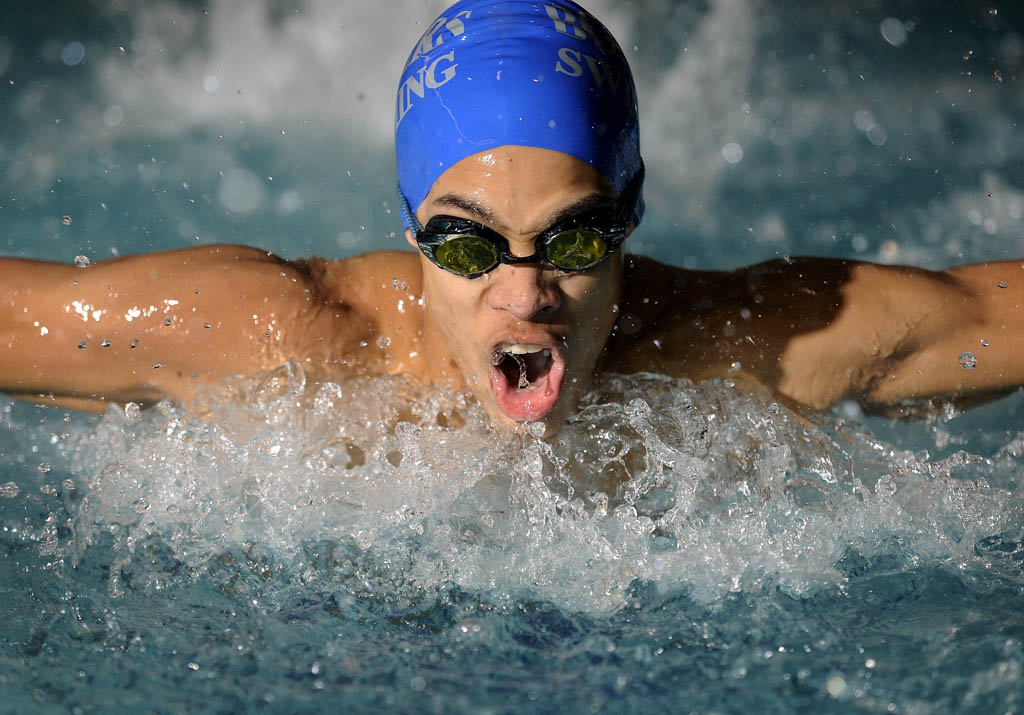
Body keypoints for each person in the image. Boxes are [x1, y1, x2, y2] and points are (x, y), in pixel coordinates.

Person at [1, 0, 1022, 434]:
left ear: (629, 218)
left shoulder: (736, 345)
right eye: (465, 241)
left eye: (575, 239)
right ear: (411, 232)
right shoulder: (290, 335)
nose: (525, 293)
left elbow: (982, 316)